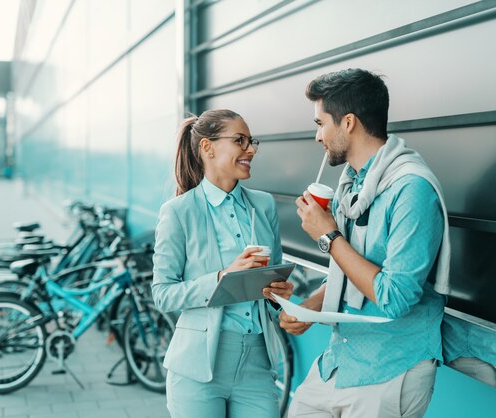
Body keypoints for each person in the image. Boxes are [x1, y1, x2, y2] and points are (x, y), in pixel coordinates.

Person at [279, 69, 451, 418]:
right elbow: (352, 269)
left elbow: (395, 296)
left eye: (320, 123)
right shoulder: (353, 185)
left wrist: (328, 236)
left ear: (348, 123)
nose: (317, 136)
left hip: (390, 369)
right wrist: (311, 307)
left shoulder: (411, 189)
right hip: (340, 360)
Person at [151, 109, 294, 418]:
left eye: (251, 141)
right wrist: (223, 276)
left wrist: (280, 295)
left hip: (257, 362)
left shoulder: (264, 204)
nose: (251, 149)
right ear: (208, 147)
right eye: (240, 141)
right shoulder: (178, 212)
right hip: (197, 367)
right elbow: (163, 293)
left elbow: (273, 285)